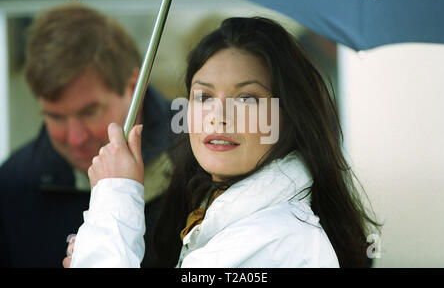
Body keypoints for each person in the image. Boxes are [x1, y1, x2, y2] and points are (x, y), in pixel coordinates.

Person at [66, 17, 381, 268]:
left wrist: (115, 200)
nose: (219, 116)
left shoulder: (276, 240)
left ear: (288, 117)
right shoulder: (206, 216)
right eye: (204, 96)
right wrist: (102, 244)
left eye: (247, 98)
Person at [0, 4, 174, 267]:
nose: (75, 138)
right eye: (56, 117)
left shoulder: (200, 158)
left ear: (132, 86)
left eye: (90, 111)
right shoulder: (13, 185)